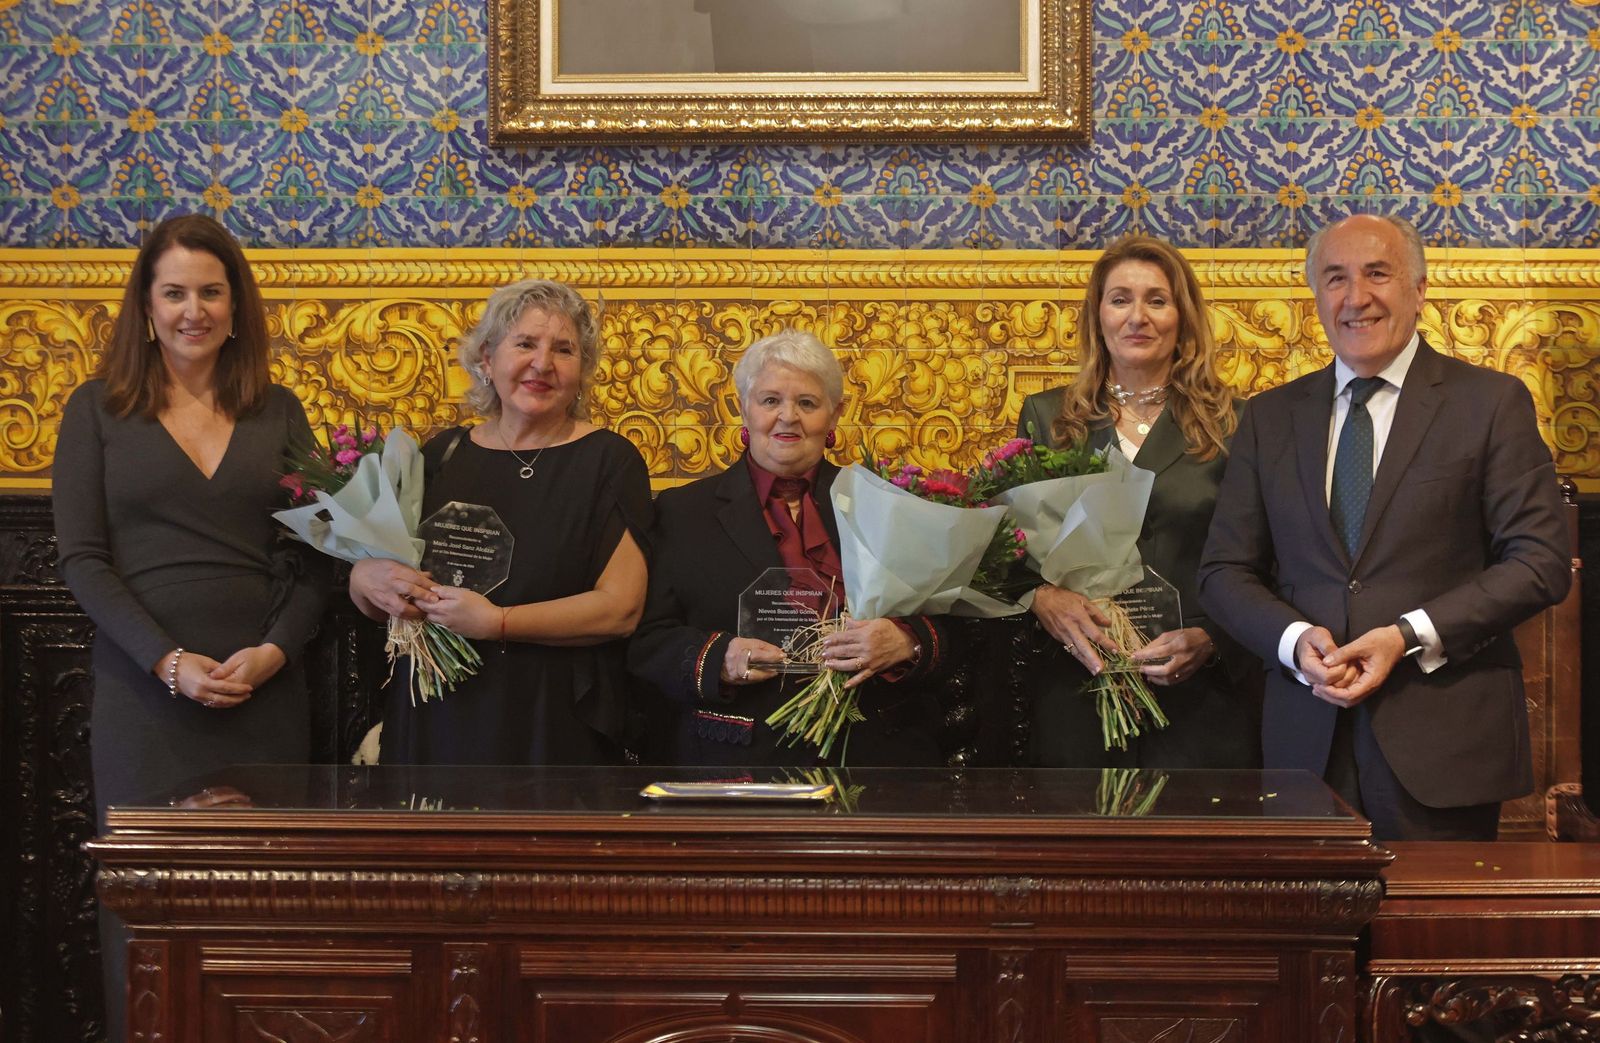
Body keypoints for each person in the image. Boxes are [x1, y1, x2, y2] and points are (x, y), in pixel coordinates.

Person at [1197, 213, 1571, 841]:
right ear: (1317, 297)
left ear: (1419, 290)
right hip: (1304, 746)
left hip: (1443, 745)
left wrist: (1406, 635)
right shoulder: (1269, 417)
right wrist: (1294, 641)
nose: (1356, 297)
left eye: (1377, 274)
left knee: (1432, 912)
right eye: (1335, 278)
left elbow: (1540, 562)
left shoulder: (1490, 403)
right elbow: (1223, 571)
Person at [53, 213, 329, 1041]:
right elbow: (82, 560)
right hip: (145, 702)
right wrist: (167, 661)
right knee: (148, 919)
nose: (193, 310)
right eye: (174, 293)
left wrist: (273, 653)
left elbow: (321, 556)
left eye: (211, 292)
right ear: (145, 306)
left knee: (266, 918)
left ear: (236, 306)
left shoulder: (279, 410)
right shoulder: (95, 410)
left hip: (263, 696)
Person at [348, 279, 651, 765]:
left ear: (582, 371)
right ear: (487, 360)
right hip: (435, 712)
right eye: (525, 344)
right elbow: (388, 603)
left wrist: (497, 623)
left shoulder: (609, 461)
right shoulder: (441, 455)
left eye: (564, 350)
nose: (543, 364)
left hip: (548, 719)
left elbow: (620, 610)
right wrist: (364, 580)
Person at [628, 329, 948, 766]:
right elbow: (647, 640)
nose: (788, 417)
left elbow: (950, 622)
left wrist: (906, 641)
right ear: (742, 408)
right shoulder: (681, 512)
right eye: (770, 400)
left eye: (808, 403)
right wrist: (720, 658)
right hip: (736, 756)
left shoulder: (884, 503)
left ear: (835, 414)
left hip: (876, 753)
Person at [1016, 235, 1256, 769]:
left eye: (1157, 300)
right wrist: (1042, 597)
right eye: (1120, 299)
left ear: (1182, 317)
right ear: (1097, 315)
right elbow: (1012, 547)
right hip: (1080, 688)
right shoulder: (1049, 418)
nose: (1137, 317)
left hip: (1201, 702)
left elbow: (1268, 558)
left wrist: (1213, 638)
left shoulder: (1236, 423)